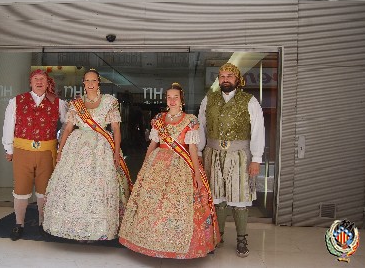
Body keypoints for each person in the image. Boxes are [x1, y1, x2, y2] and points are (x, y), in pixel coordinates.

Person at [119, 83, 220, 259]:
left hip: (182, 164)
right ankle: (152, 242)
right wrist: (145, 165)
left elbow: (193, 149)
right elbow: (153, 144)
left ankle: (181, 244)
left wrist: (196, 172)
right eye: (169, 97)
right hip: (158, 163)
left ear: (182, 100)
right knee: (153, 202)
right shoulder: (159, 118)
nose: (172, 100)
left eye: (175, 97)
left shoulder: (190, 120)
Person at [42, 68, 132, 241]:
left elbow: (115, 129)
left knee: (99, 185)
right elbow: (68, 128)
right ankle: (71, 226)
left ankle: (99, 228)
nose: (90, 84)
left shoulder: (109, 101)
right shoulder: (76, 104)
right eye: (87, 81)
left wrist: (116, 151)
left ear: (99, 82)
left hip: (102, 147)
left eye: (94, 81)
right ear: (83, 83)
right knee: (73, 184)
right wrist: (60, 150)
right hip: (77, 147)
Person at [197, 62, 265, 257]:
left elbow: (258, 130)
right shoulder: (208, 99)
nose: (225, 79)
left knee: (239, 198)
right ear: (219, 79)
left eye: (230, 76)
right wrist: (200, 153)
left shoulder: (249, 101)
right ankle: (217, 236)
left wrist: (257, 158)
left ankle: (242, 239)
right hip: (213, 153)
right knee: (217, 198)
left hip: (240, 155)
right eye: (222, 76)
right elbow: (201, 126)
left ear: (237, 79)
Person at [2, 69, 67, 241]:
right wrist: (8, 148)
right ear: (30, 82)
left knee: (44, 190)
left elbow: (68, 125)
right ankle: (19, 224)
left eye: (43, 79)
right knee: (21, 189)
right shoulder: (16, 101)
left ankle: (42, 223)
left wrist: (62, 147)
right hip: (23, 151)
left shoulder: (58, 102)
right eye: (36, 79)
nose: (39, 82)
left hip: (47, 152)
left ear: (48, 83)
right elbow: (9, 125)